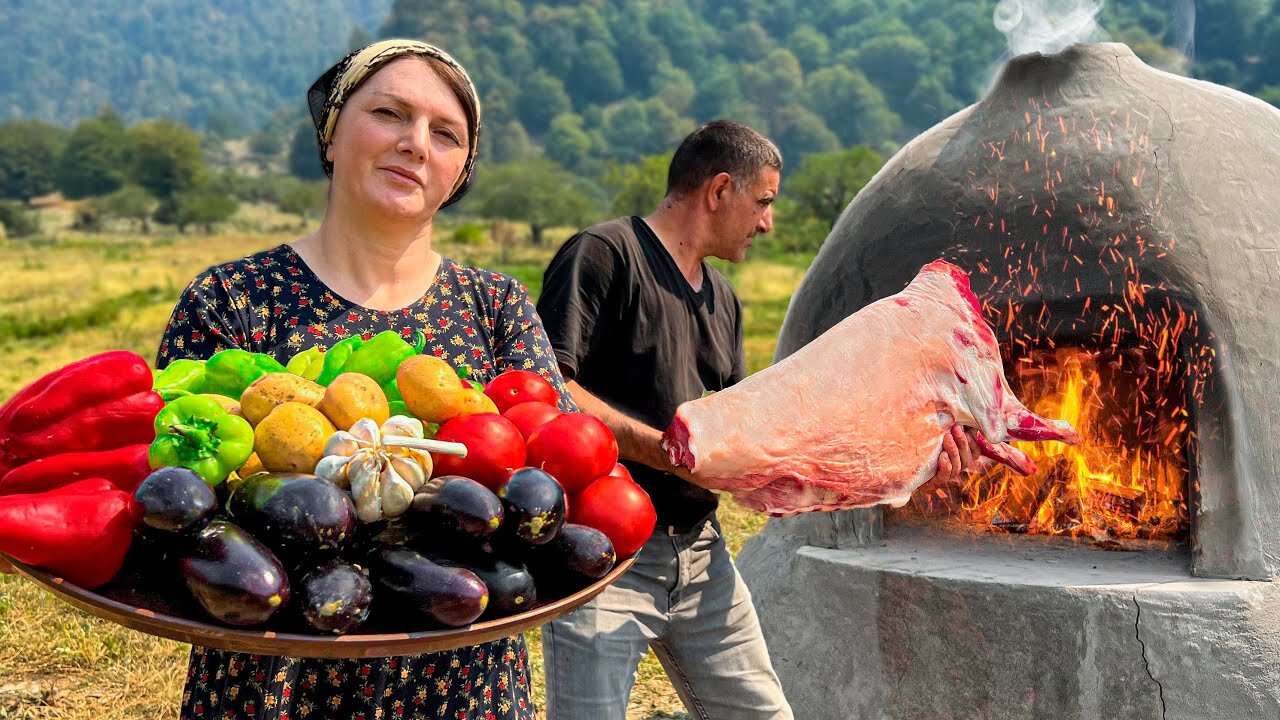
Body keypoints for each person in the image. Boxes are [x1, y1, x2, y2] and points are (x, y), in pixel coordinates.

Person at [156, 39, 569, 720]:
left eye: (445, 134)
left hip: (462, 683)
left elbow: (551, 484)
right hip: (268, 683)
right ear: (331, 135)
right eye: (390, 113)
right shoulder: (232, 297)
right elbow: (170, 502)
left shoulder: (496, 306)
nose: (415, 143)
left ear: (461, 169)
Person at [535, 119, 983, 719]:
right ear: (719, 190)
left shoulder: (723, 300)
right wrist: (667, 452)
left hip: (701, 555)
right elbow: (551, 390)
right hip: (603, 554)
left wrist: (908, 456)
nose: (768, 222)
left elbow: (745, 434)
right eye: (763, 201)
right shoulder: (605, 255)